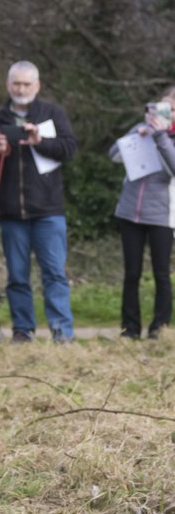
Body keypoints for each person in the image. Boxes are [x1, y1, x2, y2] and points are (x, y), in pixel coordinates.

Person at [0, 61, 78, 342]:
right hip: (11, 213)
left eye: (27, 84)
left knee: (54, 274)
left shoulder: (52, 114)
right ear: (9, 85)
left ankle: (61, 331)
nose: (21, 89)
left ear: (37, 85)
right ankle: (23, 330)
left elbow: (69, 149)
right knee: (17, 277)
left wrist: (40, 141)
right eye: (16, 84)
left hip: (48, 211)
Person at [109, 90, 175, 339]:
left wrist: (160, 136)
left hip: (162, 215)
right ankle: (130, 328)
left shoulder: (169, 137)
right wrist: (135, 135)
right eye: (160, 109)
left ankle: (160, 327)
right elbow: (114, 156)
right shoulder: (141, 129)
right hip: (129, 213)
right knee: (132, 272)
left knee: (161, 273)